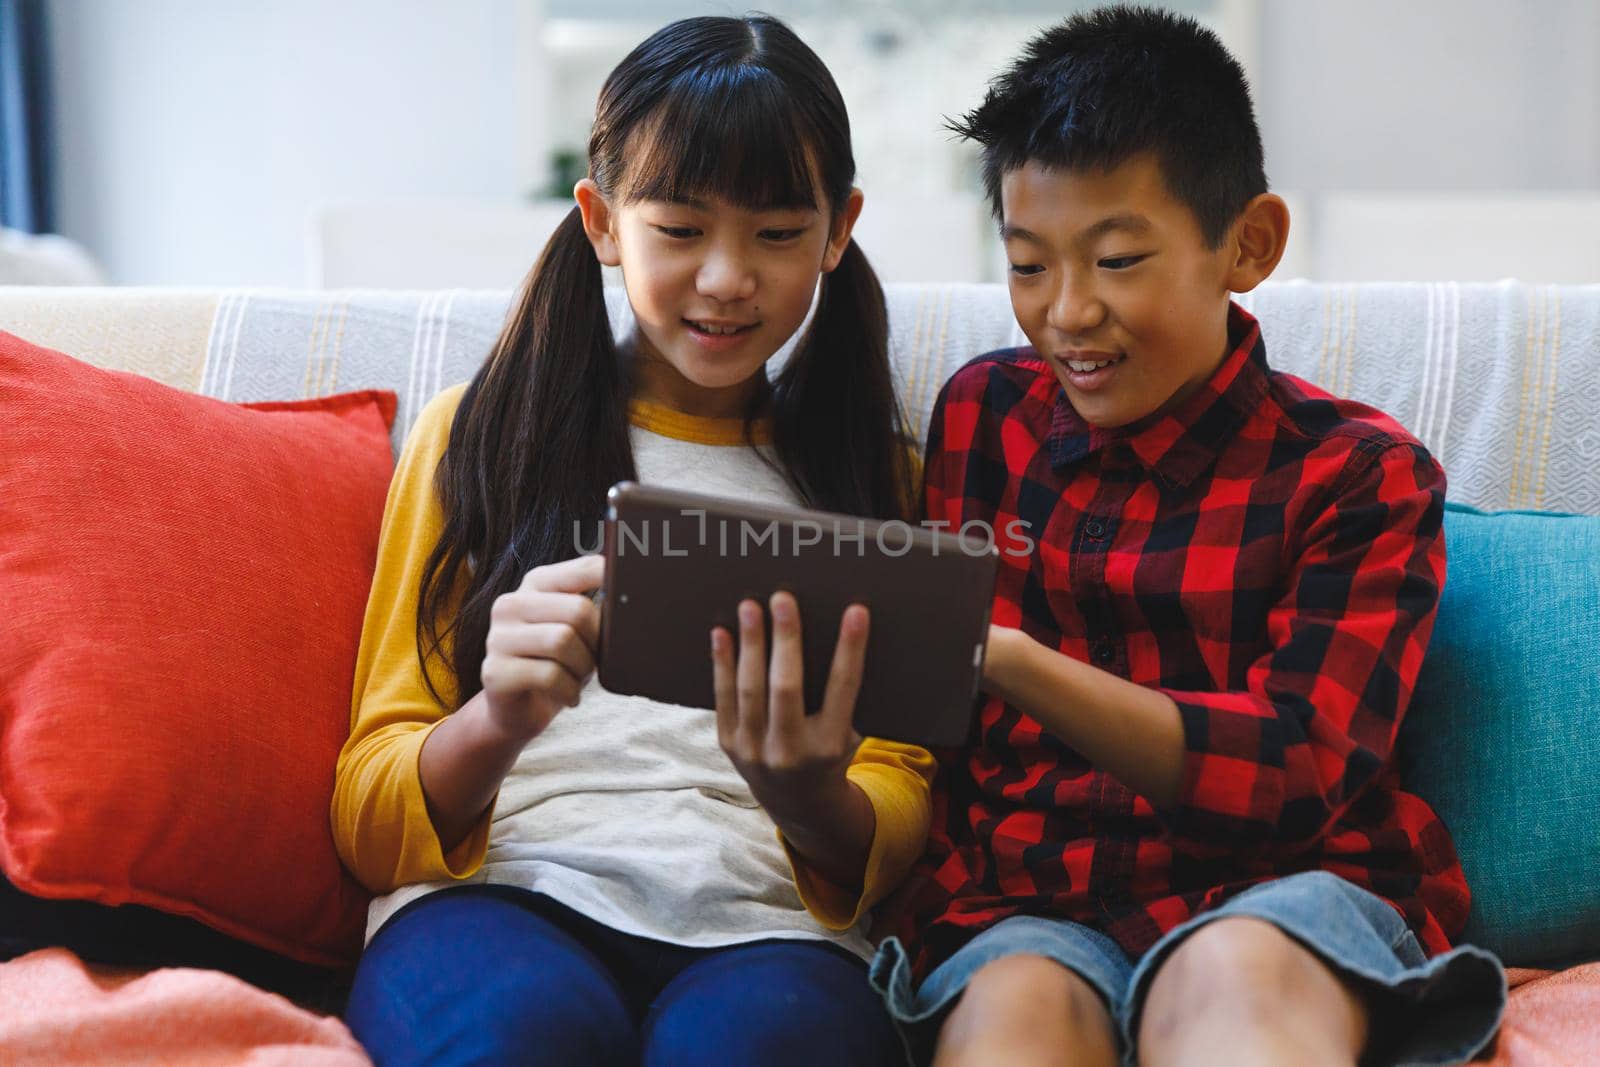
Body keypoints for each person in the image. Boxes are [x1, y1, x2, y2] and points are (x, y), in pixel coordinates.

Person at [869, 7, 1506, 1066]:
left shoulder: (1357, 472)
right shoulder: (982, 415)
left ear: (1246, 244)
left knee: (1231, 979)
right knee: (1013, 1012)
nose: (1067, 311)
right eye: (1028, 264)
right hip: (1032, 899)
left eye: (1116, 259)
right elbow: (931, 736)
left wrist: (1014, 663)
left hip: (1290, 892)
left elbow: (1294, 767)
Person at [331, 15, 932, 1066]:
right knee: (522, 1033)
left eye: (778, 233)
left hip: (772, 933)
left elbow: (899, 816)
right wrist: (500, 717)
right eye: (681, 228)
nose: (726, 278)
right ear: (604, 220)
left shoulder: (876, 479)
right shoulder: (476, 437)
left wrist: (801, 789)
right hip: (501, 898)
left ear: (839, 229)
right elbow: (366, 811)